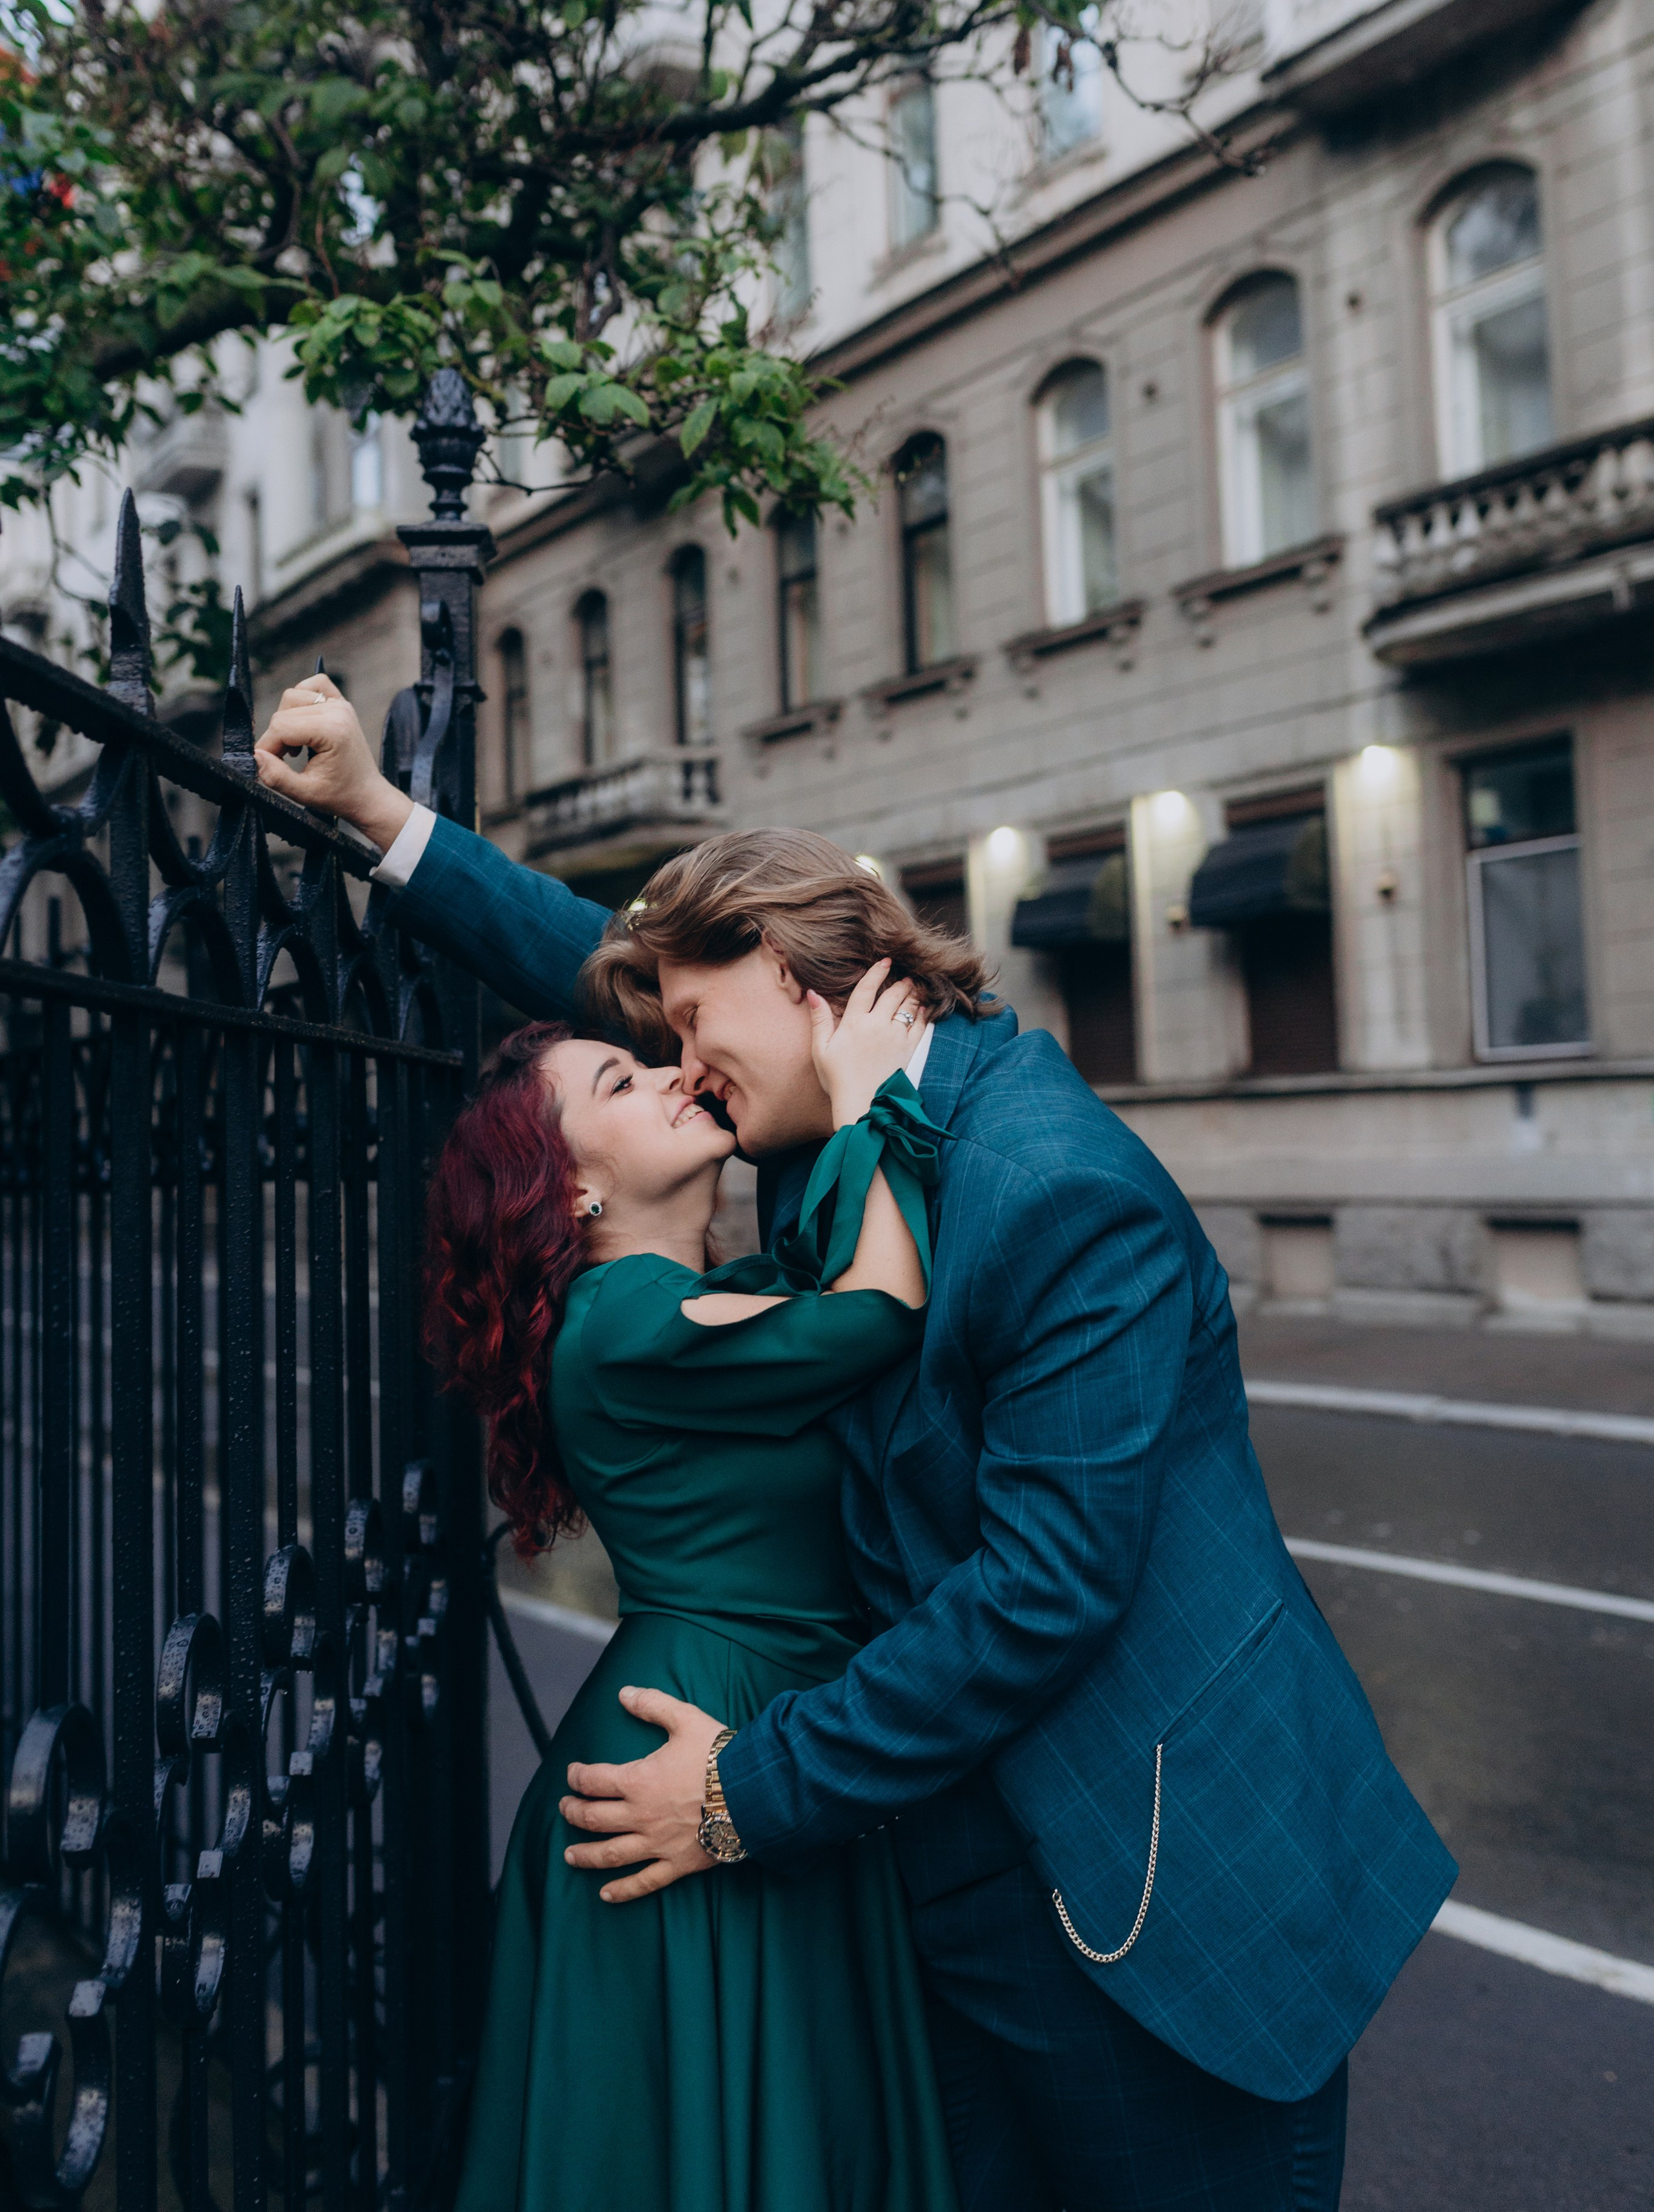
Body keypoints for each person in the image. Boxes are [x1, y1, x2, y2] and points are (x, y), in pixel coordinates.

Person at [256, 677, 1457, 2212]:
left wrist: (742, 1792)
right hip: (940, 1887)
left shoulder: (1051, 1187)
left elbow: (1041, 1592)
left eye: (690, 1027)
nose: (676, 1062)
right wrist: (376, 813)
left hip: (1150, 1903)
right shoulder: (834, 1114)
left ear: (787, 973)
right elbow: (601, 987)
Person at [427, 981, 961, 2211]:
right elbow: (880, 1312)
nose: (676, 1072)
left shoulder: (672, 1300)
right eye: (622, 1082)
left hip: (733, 1722)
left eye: (656, 1056)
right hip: (695, 1737)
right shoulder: (619, 1319)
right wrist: (876, 1095)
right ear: (570, 1193)